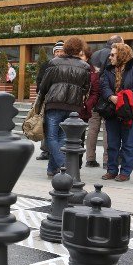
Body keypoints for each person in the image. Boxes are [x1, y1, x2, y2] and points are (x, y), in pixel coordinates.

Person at [38, 37, 90, 177]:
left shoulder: (54, 63)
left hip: (54, 103)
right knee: (62, 137)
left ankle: (64, 166)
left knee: (51, 136)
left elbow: (44, 85)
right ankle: (52, 169)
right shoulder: (85, 66)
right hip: (74, 106)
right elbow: (86, 88)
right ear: (79, 49)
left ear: (65, 48)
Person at [100, 43, 133, 182]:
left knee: (128, 144)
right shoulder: (108, 69)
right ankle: (112, 170)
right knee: (112, 143)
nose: (110, 57)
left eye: (113, 54)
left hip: (131, 112)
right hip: (112, 111)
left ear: (121, 55)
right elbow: (103, 86)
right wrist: (111, 97)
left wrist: (124, 98)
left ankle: (125, 172)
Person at [86, 35, 123, 168]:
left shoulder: (95, 54)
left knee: (93, 128)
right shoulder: (114, 55)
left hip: (94, 96)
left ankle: (90, 158)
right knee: (108, 129)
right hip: (108, 97)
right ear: (117, 44)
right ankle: (107, 160)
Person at [34, 40, 65, 161]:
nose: (59, 53)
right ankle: (45, 150)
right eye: (57, 51)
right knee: (46, 126)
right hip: (48, 100)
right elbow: (39, 82)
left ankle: (58, 154)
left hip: (62, 101)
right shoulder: (46, 65)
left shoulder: (67, 65)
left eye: (61, 51)